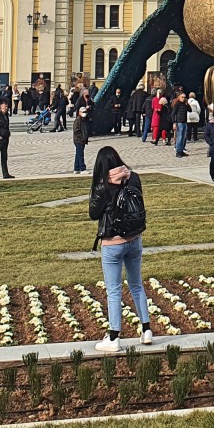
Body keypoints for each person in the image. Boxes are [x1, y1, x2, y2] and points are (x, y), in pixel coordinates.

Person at [88, 146, 153, 353]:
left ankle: (114, 336)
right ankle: (146, 329)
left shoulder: (103, 185)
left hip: (113, 242)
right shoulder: (133, 177)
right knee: (136, 285)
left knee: (114, 290)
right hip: (135, 237)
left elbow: (93, 213)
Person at [72, 102, 92, 173]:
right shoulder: (78, 120)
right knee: (80, 154)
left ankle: (76, 168)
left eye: (85, 112)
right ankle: (82, 168)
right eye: (83, 112)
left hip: (82, 139)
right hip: (79, 140)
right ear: (79, 112)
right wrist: (82, 137)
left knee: (78, 154)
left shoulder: (85, 120)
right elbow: (76, 131)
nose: (84, 113)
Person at [173, 93, 191, 158]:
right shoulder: (177, 104)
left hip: (185, 122)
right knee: (179, 137)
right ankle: (178, 151)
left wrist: (187, 104)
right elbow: (173, 114)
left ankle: (181, 150)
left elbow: (190, 110)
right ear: (179, 97)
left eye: (184, 97)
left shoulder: (185, 104)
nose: (183, 98)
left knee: (183, 137)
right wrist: (174, 123)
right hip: (179, 122)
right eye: (182, 97)